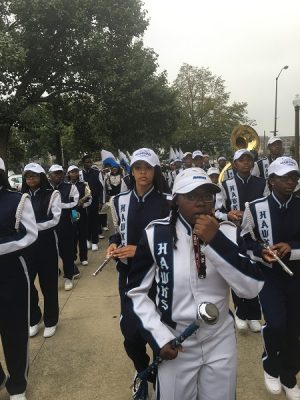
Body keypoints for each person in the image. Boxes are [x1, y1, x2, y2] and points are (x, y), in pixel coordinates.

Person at [126, 168, 264, 400]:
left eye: (206, 196)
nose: (201, 203)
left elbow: (251, 288)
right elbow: (136, 292)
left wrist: (216, 241)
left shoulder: (228, 232)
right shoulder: (156, 234)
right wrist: (159, 337)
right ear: (176, 200)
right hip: (176, 341)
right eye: (191, 196)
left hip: (219, 339)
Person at [106, 148, 171, 399]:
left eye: (148, 168)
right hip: (129, 277)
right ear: (131, 171)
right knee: (131, 335)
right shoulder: (119, 200)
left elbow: (176, 240)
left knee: (161, 331)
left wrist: (141, 250)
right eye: (138, 168)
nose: (143, 173)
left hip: (161, 276)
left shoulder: (168, 201)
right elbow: (120, 232)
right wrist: (114, 243)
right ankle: (143, 371)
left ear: (155, 171)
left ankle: (161, 380)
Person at [241, 156, 300, 400]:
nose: (291, 181)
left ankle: (289, 376)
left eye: (294, 177)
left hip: (297, 276)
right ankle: (270, 365)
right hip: (269, 277)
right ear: (271, 180)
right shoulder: (254, 207)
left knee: (295, 329)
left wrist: (292, 248)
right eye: (284, 177)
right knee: (276, 323)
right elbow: (244, 241)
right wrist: (260, 253)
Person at [217, 149, 269, 332]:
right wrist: (228, 214)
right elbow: (217, 210)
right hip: (235, 234)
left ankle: (254, 315)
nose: (246, 162)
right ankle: (240, 313)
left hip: (255, 237)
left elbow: (266, 207)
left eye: (249, 160)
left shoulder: (262, 183)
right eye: (242, 160)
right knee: (238, 273)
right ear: (235, 163)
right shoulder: (225, 184)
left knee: (254, 272)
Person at [0, 157, 38, 400]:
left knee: (14, 332)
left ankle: (17, 385)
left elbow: (30, 233)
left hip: (11, 272)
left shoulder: (17, 200)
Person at [22, 163, 61, 338]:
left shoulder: (52, 194)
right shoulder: (21, 197)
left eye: (35, 175)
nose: (31, 179)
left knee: (49, 284)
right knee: (26, 284)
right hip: (25, 247)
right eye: (28, 176)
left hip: (46, 246)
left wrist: (32, 228)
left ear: (41, 176)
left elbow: (54, 219)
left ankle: (51, 320)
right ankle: (34, 317)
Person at [48, 164, 79, 291]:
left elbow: (74, 202)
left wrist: (57, 205)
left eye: (60, 173)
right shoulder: (46, 189)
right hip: (49, 225)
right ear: (50, 175)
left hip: (65, 223)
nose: (57, 175)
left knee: (67, 251)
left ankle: (68, 277)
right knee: (52, 252)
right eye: (55, 173)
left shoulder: (70, 187)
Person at [67, 165, 92, 266]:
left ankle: (84, 258)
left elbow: (90, 199)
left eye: (76, 172)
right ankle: (73, 256)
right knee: (72, 235)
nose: (74, 174)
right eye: (72, 172)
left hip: (81, 212)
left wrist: (83, 204)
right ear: (68, 173)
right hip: (71, 213)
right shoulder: (66, 185)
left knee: (82, 235)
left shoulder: (84, 184)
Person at [81, 155, 105, 251]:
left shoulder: (97, 173)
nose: (89, 164)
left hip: (94, 200)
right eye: (87, 162)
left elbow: (101, 188)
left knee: (94, 220)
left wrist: (101, 202)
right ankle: (87, 239)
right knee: (85, 221)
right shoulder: (80, 174)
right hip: (83, 201)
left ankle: (95, 242)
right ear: (83, 163)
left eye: (90, 162)